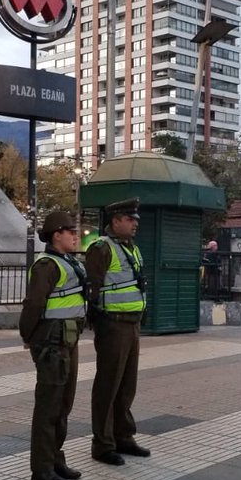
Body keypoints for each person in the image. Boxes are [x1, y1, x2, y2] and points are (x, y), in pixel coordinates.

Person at [19, 210, 87, 480]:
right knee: (49, 406)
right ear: (56, 235)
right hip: (51, 342)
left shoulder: (68, 261)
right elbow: (33, 305)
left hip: (67, 341)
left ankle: (56, 458)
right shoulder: (47, 265)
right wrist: (28, 336)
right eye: (70, 231)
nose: (75, 235)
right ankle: (42, 468)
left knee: (63, 404)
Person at [85, 198, 150, 465]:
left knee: (127, 385)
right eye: (130, 219)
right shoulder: (101, 248)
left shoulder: (131, 249)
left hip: (131, 324)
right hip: (112, 324)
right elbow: (92, 289)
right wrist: (98, 320)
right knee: (108, 384)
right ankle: (102, 444)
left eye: (135, 219)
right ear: (116, 221)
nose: (135, 223)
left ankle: (124, 436)